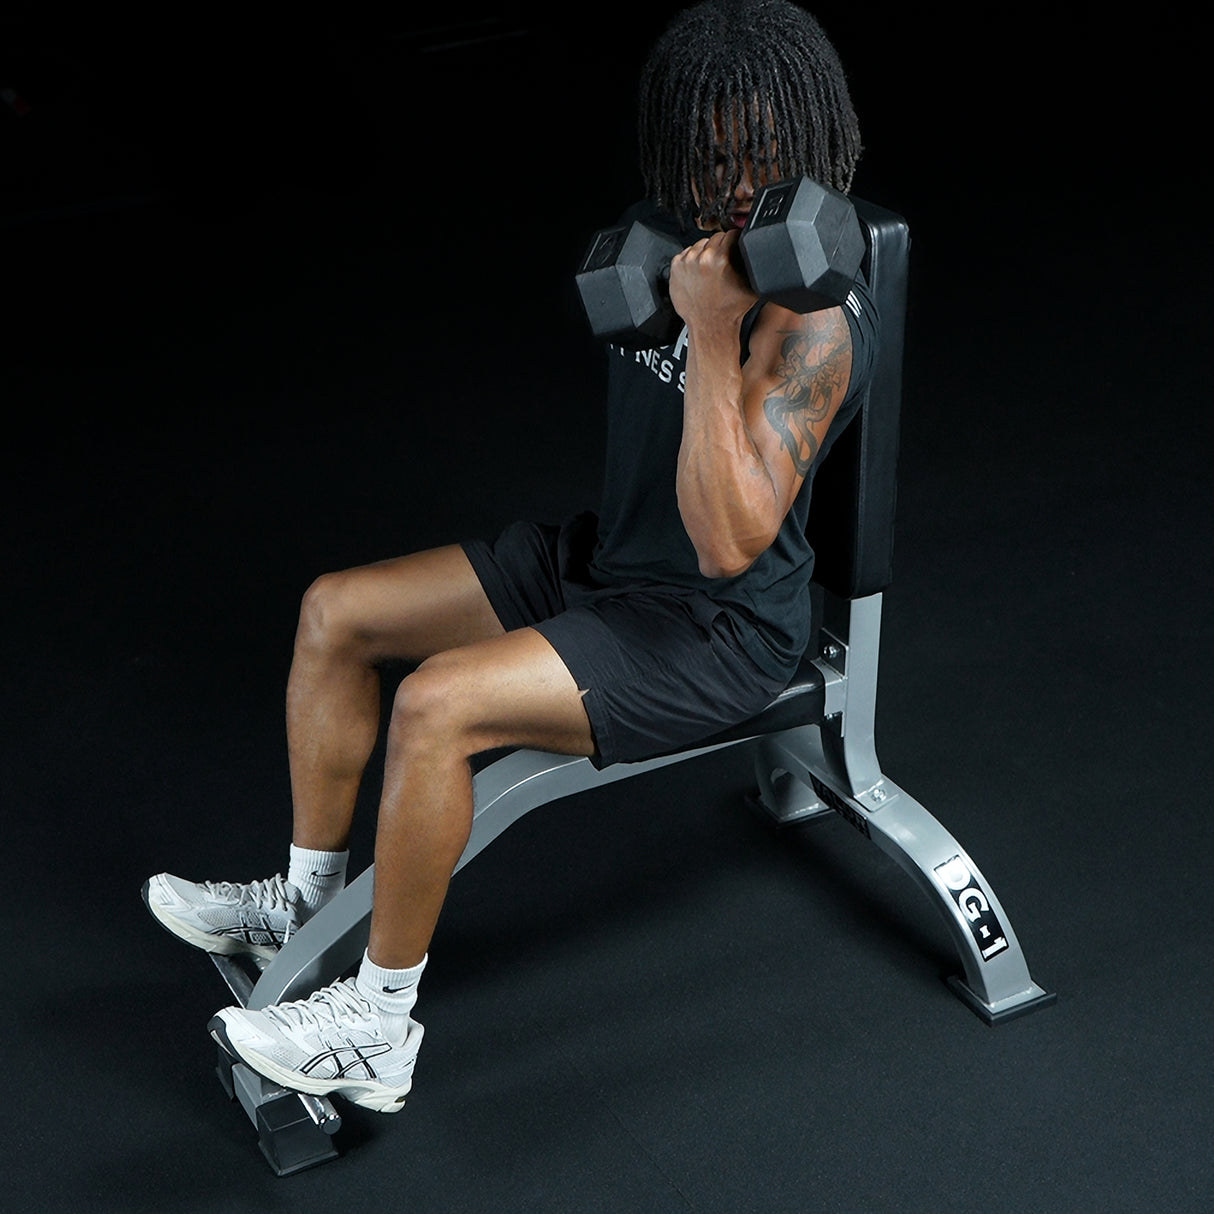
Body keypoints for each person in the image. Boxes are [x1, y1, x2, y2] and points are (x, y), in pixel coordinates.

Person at [143, 0, 879, 1116]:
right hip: (609, 566)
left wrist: (713, 329)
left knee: (438, 705)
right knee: (335, 612)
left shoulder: (809, 321)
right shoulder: (672, 244)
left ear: (807, 147)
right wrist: (684, 303)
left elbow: (730, 540)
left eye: (762, 154)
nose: (736, 181)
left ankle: (376, 1026)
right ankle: (306, 902)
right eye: (712, 150)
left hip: (715, 628)